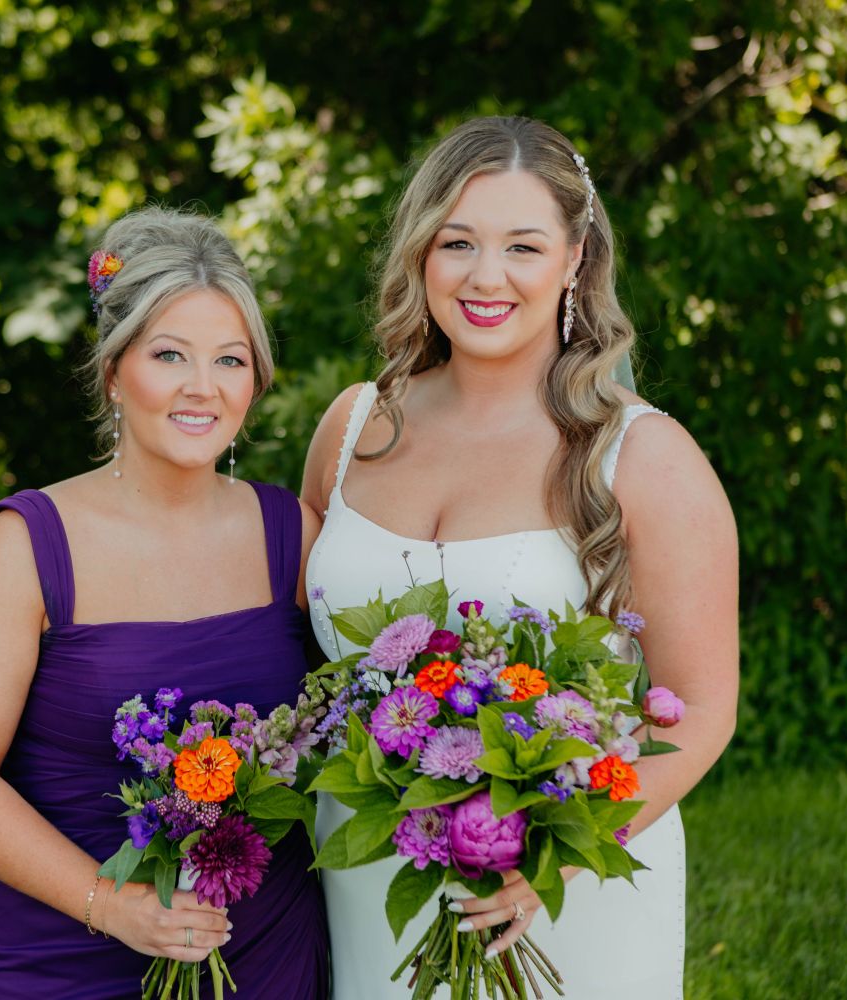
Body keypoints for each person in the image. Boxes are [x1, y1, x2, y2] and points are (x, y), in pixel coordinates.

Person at [301, 116, 739, 997]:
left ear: (575, 258)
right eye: (457, 242)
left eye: (523, 247)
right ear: (421, 251)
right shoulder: (354, 426)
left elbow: (697, 711)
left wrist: (549, 864)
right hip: (366, 864)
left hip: (562, 889)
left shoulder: (643, 456)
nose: (485, 276)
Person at [0, 207, 329, 998]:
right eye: (169, 354)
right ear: (113, 372)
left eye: (230, 359)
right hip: (59, 949)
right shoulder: (29, 543)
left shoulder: (294, 536)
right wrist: (111, 906)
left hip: (259, 950)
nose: (202, 387)